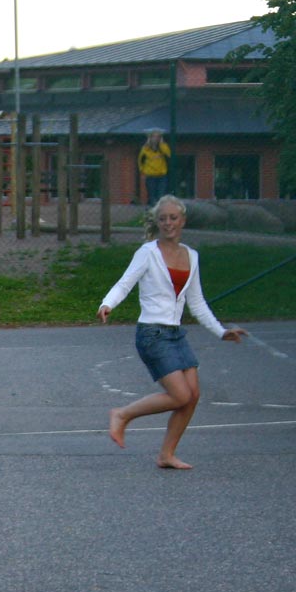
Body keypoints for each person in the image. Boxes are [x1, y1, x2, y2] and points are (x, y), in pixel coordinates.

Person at [96, 195, 247, 470]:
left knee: (193, 395)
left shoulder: (192, 256)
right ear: (157, 222)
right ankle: (122, 414)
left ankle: (166, 454)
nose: (168, 223)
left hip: (176, 334)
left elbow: (197, 302)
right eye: (163, 218)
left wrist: (221, 331)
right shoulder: (147, 253)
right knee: (180, 395)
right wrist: (107, 303)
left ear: (183, 221)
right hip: (152, 334)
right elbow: (124, 283)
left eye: (173, 218)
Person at [137, 128, 171, 205]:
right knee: (152, 197)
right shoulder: (145, 149)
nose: (156, 138)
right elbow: (140, 161)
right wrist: (142, 172)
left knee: (161, 196)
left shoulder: (163, 148)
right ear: (150, 138)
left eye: (158, 136)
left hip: (162, 176)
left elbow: (168, 154)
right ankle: (153, 213)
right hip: (150, 176)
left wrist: (162, 143)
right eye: (154, 136)